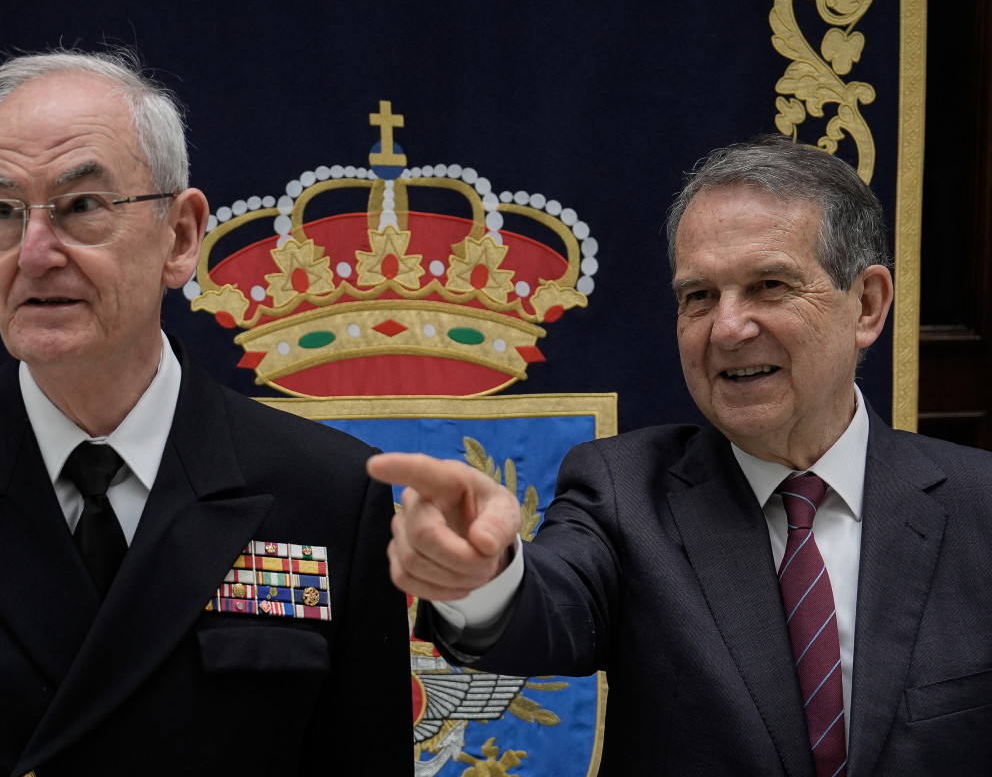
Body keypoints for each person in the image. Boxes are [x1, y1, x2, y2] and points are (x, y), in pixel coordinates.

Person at [0, 49, 408, 776]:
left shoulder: (329, 495)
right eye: (2, 212)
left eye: (81, 207)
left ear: (180, 237)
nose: (35, 252)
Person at [368, 136, 992, 776]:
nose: (726, 328)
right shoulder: (622, 493)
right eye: (698, 296)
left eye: (768, 286)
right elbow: (551, 606)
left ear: (866, 305)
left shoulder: (980, 508)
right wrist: (484, 576)